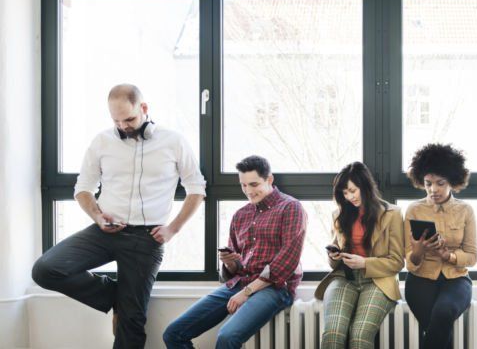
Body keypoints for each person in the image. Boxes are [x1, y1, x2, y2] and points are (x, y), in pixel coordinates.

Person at [31, 83, 206, 348]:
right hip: (105, 231)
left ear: (144, 108)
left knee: (131, 320)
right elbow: (83, 189)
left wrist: (173, 229)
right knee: (45, 270)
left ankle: (125, 304)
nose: (123, 126)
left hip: (147, 239)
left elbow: (196, 189)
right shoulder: (102, 141)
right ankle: (115, 297)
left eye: (129, 119)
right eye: (116, 120)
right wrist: (97, 216)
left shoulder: (174, 142)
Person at [163, 155, 307, 349]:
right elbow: (237, 266)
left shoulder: (291, 208)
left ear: (269, 180)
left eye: (254, 184)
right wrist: (230, 262)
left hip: (275, 288)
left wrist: (246, 292)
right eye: (244, 185)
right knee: (173, 333)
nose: (248, 191)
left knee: (227, 337)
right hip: (241, 282)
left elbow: (285, 264)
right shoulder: (240, 215)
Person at [315, 162, 404, 349]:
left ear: (365, 185)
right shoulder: (339, 214)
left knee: (359, 336)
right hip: (344, 278)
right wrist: (334, 255)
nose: (349, 197)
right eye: (344, 193)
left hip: (378, 281)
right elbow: (334, 264)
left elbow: (397, 262)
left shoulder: (392, 214)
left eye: (352, 191)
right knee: (333, 333)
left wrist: (364, 263)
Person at [403, 143, 477, 349]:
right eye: (428, 184)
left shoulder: (465, 211)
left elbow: (472, 256)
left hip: (456, 279)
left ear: (452, 182)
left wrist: (449, 256)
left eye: (440, 183)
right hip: (420, 280)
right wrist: (417, 252)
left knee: (443, 314)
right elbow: (410, 262)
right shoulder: (414, 210)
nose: (433, 189)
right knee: (439, 328)